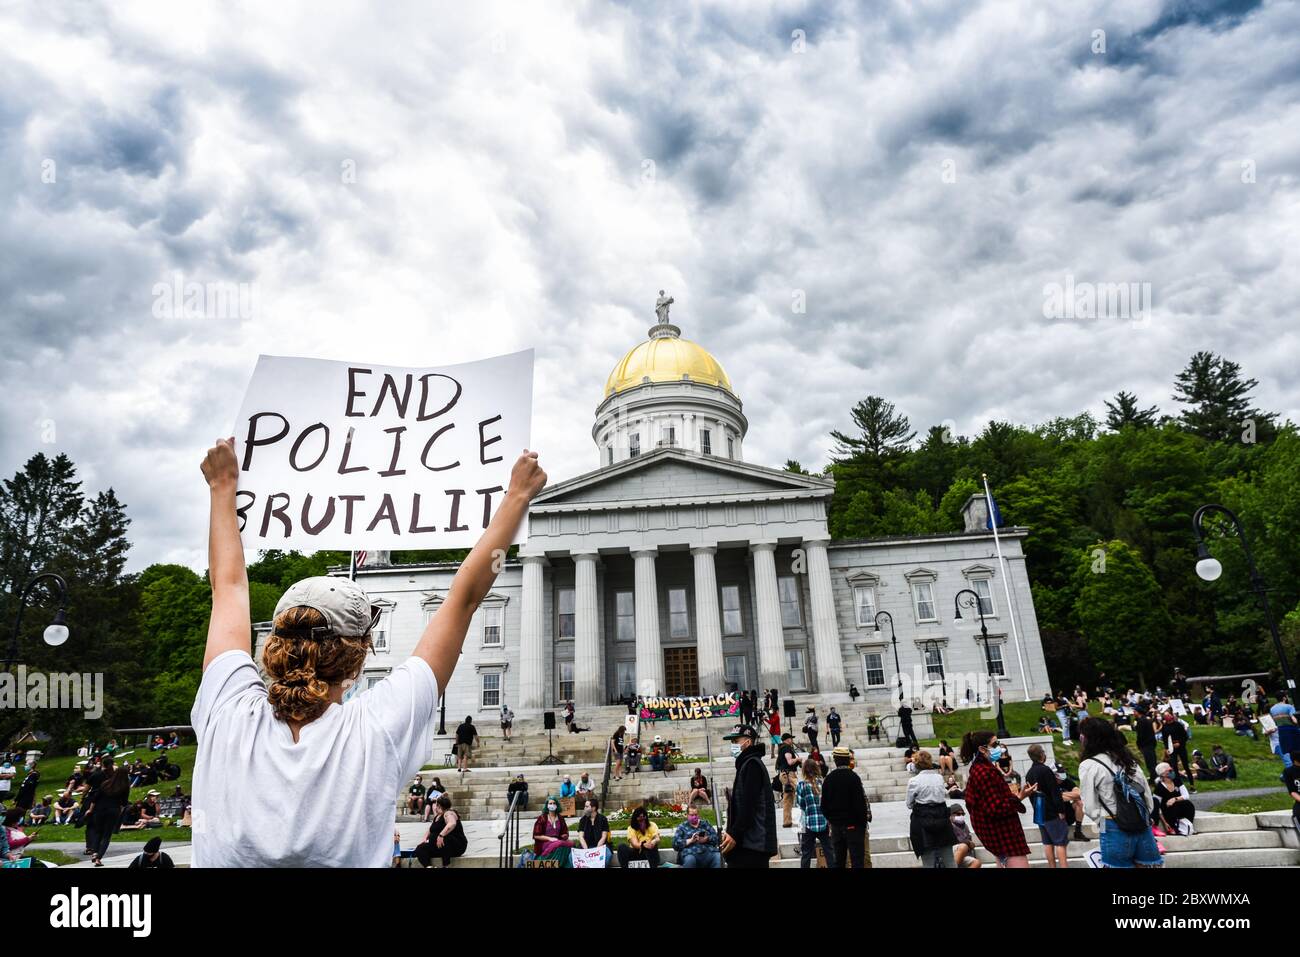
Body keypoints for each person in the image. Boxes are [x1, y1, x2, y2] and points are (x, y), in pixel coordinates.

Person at [191, 438, 546, 867]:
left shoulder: (226, 712)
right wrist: (517, 498)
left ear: (273, 648)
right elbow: (465, 598)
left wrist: (222, 487)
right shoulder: (375, 728)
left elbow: (226, 587)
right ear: (358, 660)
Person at [1078, 716, 1162, 868]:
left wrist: (1101, 823)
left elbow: (1089, 806)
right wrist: (1145, 815)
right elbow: (1147, 795)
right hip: (1140, 821)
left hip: (1112, 822)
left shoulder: (1089, 765)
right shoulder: (1129, 760)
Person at [959, 730, 1035, 868]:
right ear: (982, 749)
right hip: (1005, 837)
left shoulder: (980, 769)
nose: (999, 747)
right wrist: (1020, 797)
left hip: (1000, 838)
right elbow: (996, 808)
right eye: (995, 744)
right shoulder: (984, 772)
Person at [720, 724, 777, 868]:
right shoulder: (747, 764)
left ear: (748, 742)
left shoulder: (752, 764)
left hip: (753, 845)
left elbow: (748, 805)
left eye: (735, 741)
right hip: (749, 843)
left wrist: (734, 833)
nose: (733, 745)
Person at [821, 747, 871, 868]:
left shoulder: (829, 779)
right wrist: (862, 823)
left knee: (839, 860)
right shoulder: (853, 777)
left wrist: (833, 820)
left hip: (837, 826)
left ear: (835, 760)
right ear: (848, 760)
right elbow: (860, 804)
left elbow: (824, 806)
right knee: (857, 860)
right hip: (854, 825)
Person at [905, 750, 955, 868]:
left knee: (928, 861)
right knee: (949, 859)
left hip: (923, 819)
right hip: (941, 817)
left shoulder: (914, 781)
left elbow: (909, 804)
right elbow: (942, 795)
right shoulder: (939, 778)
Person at [1024, 744, 1069, 868]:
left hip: (1039, 813)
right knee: (1060, 842)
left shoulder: (1029, 773)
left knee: (1047, 842)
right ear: (1041, 754)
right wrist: (1061, 810)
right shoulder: (1045, 770)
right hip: (1051, 812)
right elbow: (1054, 792)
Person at [84, 757, 131, 866]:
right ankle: (98, 857)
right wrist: (120, 812)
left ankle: (95, 852)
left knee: (98, 832)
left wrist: (90, 810)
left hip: (100, 810)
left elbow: (95, 798)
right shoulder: (124, 786)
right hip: (113, 810)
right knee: (107, 835)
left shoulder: (106, 783)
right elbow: (124, 802)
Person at [796, 757, 832, 868]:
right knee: (829, 852)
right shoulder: (824, 783)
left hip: (808, 824)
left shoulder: (801, 785)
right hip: (823, 822)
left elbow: (800, 805)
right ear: (817, 769)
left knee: (806, 854)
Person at [415, 794, 468, 867]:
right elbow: (431, 829)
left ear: (439, 806)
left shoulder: (449, 813)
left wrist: (441, 835)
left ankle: (446, 865)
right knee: (420, 848)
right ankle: (429, 866)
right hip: (439, 846)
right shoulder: (437, 816)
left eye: (436, 804)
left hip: (456, 846)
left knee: (445, 838)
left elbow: (452, 823)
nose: (435, 807)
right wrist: (424, 838)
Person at [522, 796, 573, 867]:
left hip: (558, 841)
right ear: (547, 805)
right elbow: (536, 835)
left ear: (557, 805)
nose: (552, 805)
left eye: (554, 803)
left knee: (571, 844)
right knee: (559, 845)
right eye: (550, 803)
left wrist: (564, 835)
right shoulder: (542, 818)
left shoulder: (560, 818)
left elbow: (565, 832)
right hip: (544, 843)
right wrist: (549, 839)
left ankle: (560, 864)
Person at [1151, 763, 1195, 837]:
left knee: (1188, 804)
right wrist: (1165, 823)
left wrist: (1175, 799)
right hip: (1168, 812)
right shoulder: (1159, 788)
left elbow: (1186, 795)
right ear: (1163, 774)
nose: (1172, 771)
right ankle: (1174, 827)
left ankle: (1189, 826)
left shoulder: (1177, 781)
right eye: (1170, 770)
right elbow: (1157, 807)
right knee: (1174, 807)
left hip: (1180, 809)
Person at [1160, 712, 1196, 790]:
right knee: (1174, 767)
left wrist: (1179, 742)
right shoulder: (1165, 727)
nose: (1169, 717)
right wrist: (1166, 748)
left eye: (1169, 715)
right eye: (1167, 716)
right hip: (1171, 747)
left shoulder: (1178, 725)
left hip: (1180, 746)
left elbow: (1185, 736)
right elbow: (1165, 739)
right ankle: (1178, 785)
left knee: (1185, 765)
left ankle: (1192, 785)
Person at [576, 797, 613, 866]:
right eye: (585, 806)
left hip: (600, 846)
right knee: (571, 856)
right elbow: (581, 837)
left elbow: (604, 837)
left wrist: (596, 851)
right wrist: (587, 850)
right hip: (586, 846)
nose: (584, 808)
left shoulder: (603, 819)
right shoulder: (583, 820)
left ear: (593, 808)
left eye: (587, 806)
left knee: (608, 855)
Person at [774, 732, 800, 827]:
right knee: (804, 791)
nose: (792, 740)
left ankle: (787, 821)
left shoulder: (781, 749)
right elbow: (789, 762)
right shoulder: (786, 748)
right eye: (791, 739)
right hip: (789, 775)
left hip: (783, 774)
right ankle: (807, 817)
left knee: (787, 799)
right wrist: (798, 760)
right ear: (787, 739)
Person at [1132, 704, 1159, 783]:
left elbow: (1140, 735)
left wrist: (1139, 744)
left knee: (1150, 762)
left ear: (1138, 712)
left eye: (1134, 711)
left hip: (1146, 744)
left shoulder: (1141, 721)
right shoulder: (1147, 720)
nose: (1133, 713)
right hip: (1151, 743)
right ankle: (1153, 777)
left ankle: (1154, 778)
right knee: (1152, 761)